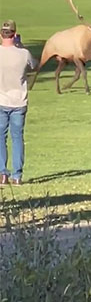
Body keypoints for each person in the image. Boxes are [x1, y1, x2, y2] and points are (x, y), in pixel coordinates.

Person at [0, 20, 38, 185]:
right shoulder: (23, 54)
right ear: (14, 34)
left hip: (1, 100)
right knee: (17, 138)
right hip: (19, 102)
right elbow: (35, 66)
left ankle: (2, 173)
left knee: (1, 137)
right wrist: (21, 46)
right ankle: (17, 176)